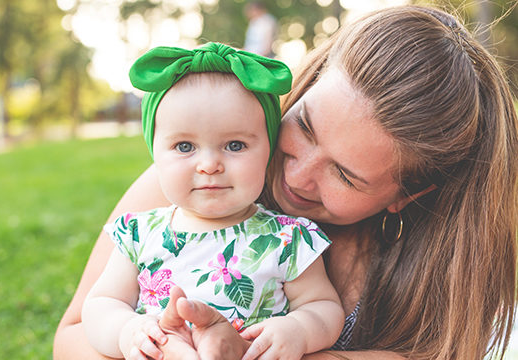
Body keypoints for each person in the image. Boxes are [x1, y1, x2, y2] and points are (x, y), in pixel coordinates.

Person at [54, 5, 518, 360]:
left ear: (406, 197)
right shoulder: (186, 193)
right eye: (306, 127)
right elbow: (72, 337)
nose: (295, 176)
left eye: (345, 175)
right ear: (309, 81)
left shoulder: (428, 264)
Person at [80, 42, 345, 360]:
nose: (209, 164)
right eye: (184, 146)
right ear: (155, 154)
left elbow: (323, 306)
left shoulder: (287, 239)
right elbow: (101, 305)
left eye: (234, 145)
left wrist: (299, 330)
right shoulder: (139, 234)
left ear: (268, 151)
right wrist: (127, 332)